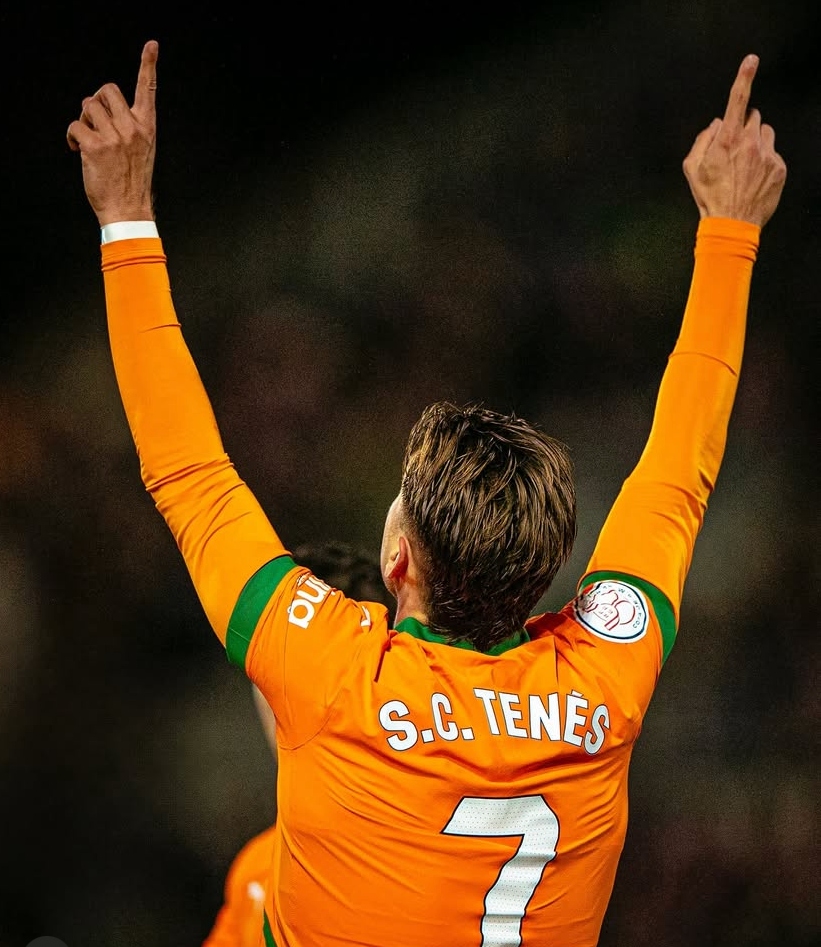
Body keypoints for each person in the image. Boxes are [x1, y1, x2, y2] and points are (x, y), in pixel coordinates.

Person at [67, 41, 785, 947]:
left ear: (396, 556)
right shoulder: (604, 676)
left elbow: (188, 467)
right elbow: (680, 468)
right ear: (543, 574)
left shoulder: (333, 673)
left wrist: (125, 213)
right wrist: (730, 230)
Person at [203, 542, 393, 947]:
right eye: (270, 669)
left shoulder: (430, 859)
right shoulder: (256, 873)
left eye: (306, 673)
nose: (281, 698)